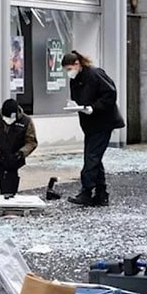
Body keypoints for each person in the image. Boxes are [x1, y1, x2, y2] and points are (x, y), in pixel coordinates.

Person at [61, 51, 125, 207]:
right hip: (90, 123)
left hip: (103, 122)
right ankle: (101, 194)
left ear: (78, 64)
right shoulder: (76, 79)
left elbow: (110, 93)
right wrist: (76, 106)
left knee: (91, 157)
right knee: (94, 158)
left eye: (70, 69)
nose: (69, 73)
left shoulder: (95, 74)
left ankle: (87, 191)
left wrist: (93, 108)